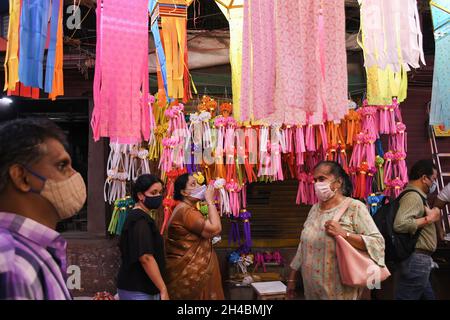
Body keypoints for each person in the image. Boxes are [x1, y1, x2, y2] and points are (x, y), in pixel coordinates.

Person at [0, 118, 87, 300]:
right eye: (62, 165)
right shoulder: (13, 263)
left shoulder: (34, 253)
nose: (74, 175)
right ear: (22, 177)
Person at [287, 161, 386, 300]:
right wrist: (292, 278)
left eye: (322, 179)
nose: (317, 184)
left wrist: (344, 234)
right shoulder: (314, 209)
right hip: (312, 290)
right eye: (315, 180)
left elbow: (377, 243)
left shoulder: (355, 207)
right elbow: (303, 245)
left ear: (338, 183)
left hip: (340, 291)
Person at [164, 173, 224, 300]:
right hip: (192, 273)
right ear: (184, 193)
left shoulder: (185, 209)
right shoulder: (186, 211)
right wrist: (210, 201)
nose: (199, 186)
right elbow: (215, 228)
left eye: (197, 183)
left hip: (193, 271)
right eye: (193, 184)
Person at [393, 159, 441, 300]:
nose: (434, 184)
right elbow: (400, 224)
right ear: (424, 178)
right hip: (415, 260)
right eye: (434, 179)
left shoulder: (417, 196)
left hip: (418, 260)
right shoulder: (413, 196)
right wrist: (429, 219)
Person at [117, 174, 168, 300]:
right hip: (139, 290)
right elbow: (145, 257)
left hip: (139, 288)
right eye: (153, 192)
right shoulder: (140, 220)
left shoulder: (139, 217)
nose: (158, 196)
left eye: (160, 192)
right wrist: (163, 289)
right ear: (140, 195)